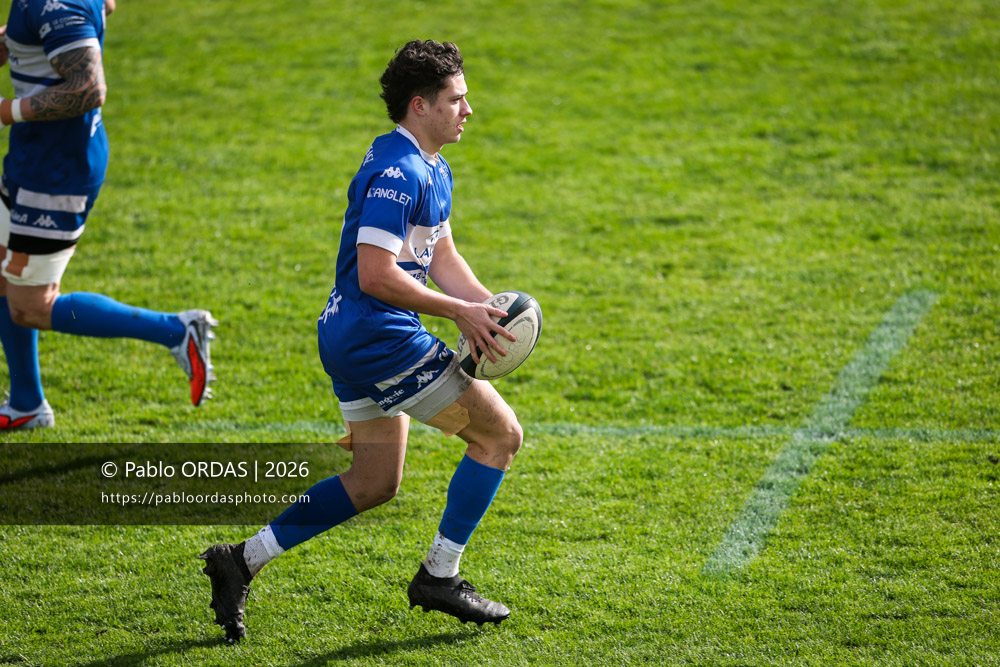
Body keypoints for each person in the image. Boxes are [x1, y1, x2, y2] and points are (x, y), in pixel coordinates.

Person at [200, 39, 524, 644]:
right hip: (380, 341)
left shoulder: (431, 165)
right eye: (457, 99)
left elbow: (440, 254)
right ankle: (440, 576)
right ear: (420, 105)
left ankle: (239, 561)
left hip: (353, 336)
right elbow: (378, 274)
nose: (468, 110)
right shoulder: (397, 174)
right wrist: (458, 313)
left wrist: (481, 308)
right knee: (501, 436)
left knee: (374, 480)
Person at [0, 0, 217, 430]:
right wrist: (18, 38)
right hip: (34, 157)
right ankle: (26, 402)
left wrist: (6, 111)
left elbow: (88, 89)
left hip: (54, 173)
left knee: (30, 305)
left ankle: (175, 330)